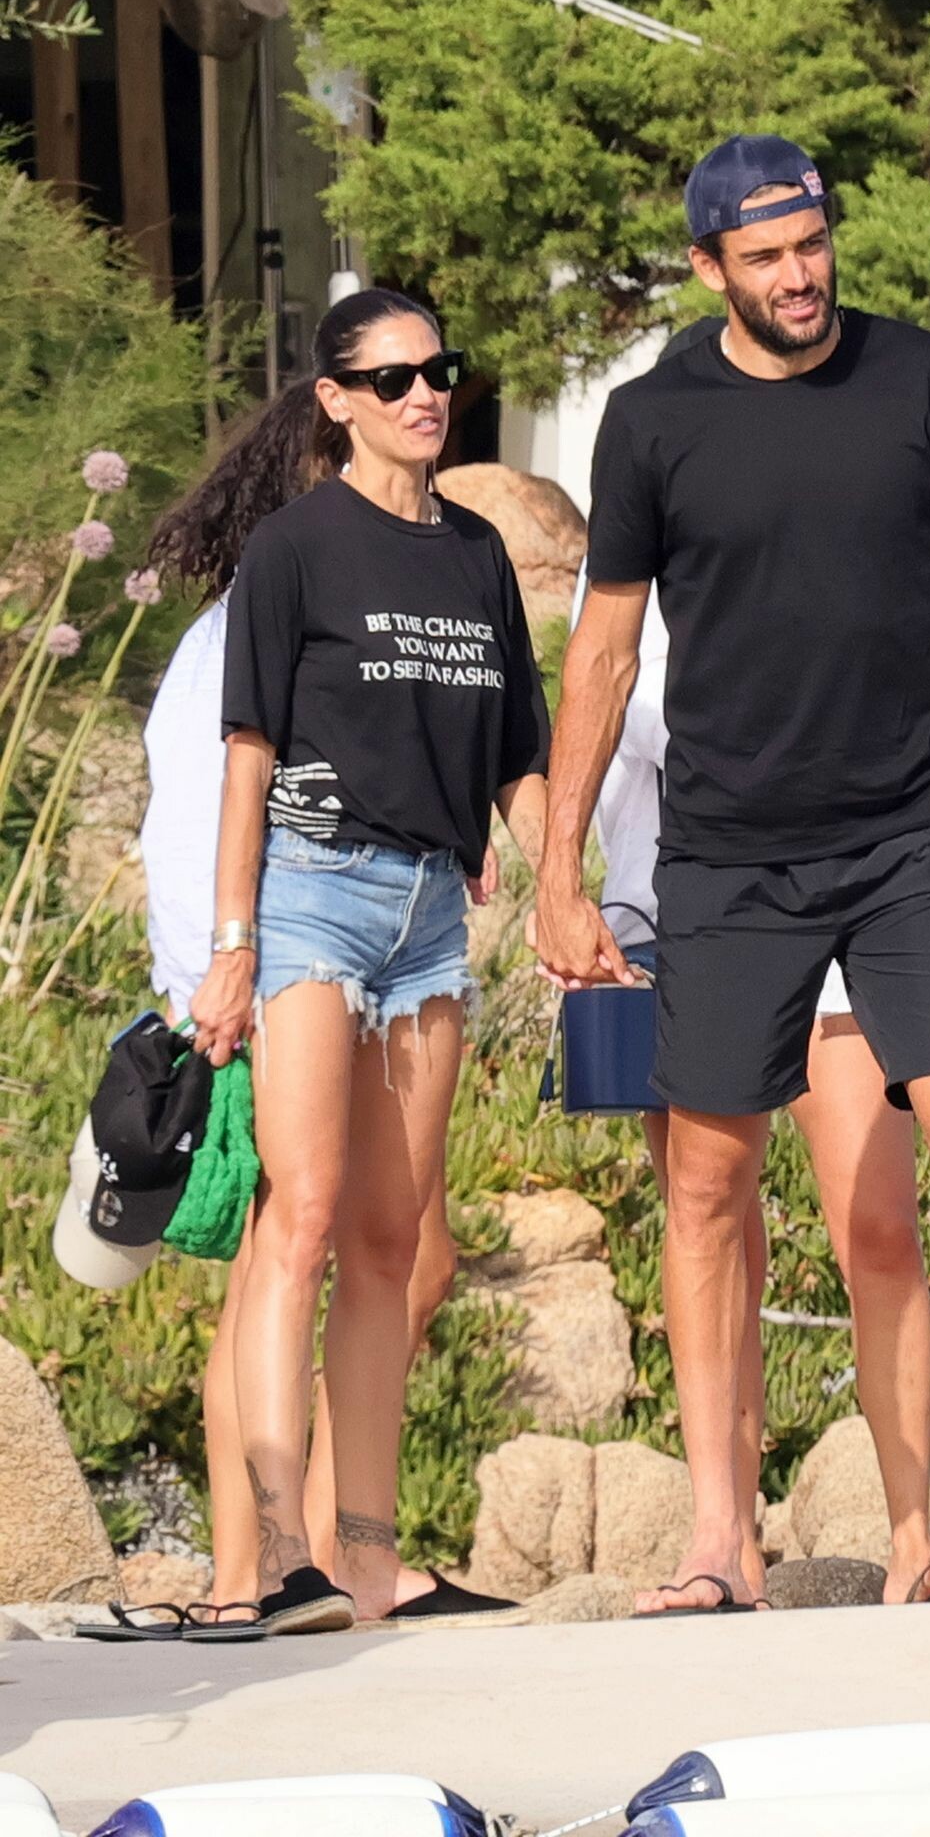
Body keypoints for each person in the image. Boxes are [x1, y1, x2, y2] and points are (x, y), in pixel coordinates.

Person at [538, 133, 930, 1614]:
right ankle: (721, 1540)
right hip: (726, 853)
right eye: (765, 255)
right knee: (708, 1185)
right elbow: (603, 648)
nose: (798, 274)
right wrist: (560, 867)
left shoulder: (928, 382)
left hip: (919, 835)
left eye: (812, 242)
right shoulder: (651, 420)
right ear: (708, 266)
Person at [190, 288, 549, 1632]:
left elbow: (519, 755)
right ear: (337, 401)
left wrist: (567, 889)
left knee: (393, 1242)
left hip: (429, 921)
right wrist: (232, 945)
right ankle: (284, 1550)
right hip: (310, 898)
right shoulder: (294, 550)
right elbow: (248, 758)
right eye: (392, 378)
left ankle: (370, 1557)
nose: (424, 394)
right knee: (304, 1213)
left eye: (438, 370)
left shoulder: (477, 554)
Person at [569, 543, 930, 1608]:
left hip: (842, 895)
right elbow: (617, 708)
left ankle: (914, 1539)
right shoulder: (638, 528)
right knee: (711, 1222)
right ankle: (724, 1541)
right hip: (681, 915)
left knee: (877, 1224)